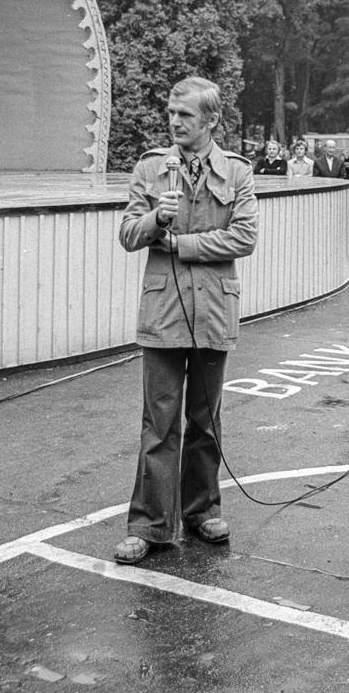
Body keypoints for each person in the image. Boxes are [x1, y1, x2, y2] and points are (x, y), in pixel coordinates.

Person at [115, 76, 258, 564]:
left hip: (214, 309)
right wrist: (157, 219)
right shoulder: (151, 168)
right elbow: (128, 235)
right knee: (158, 423)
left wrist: (179, 244)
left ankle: (202, 511)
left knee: (205, 419)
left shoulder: (237, 171)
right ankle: (149, 525)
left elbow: (244, 238)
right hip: (164, 311)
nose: (175, 122)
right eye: (171, 114)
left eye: (185, 115)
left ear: (211, 120)